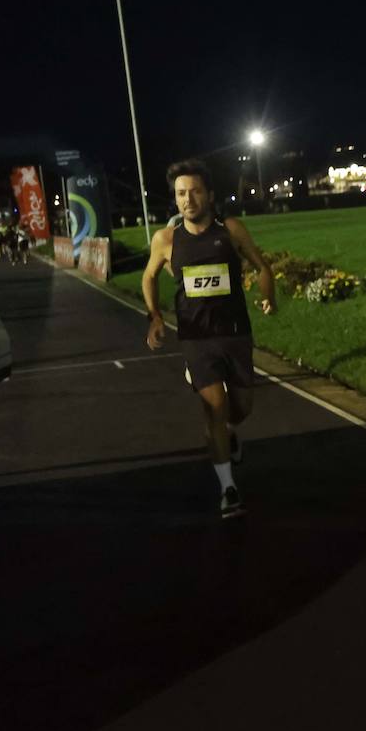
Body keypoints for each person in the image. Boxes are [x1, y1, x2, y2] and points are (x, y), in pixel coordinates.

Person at [141, 159, 277, 519]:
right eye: (181, 193)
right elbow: (149, 277)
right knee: (214, 408)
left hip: (235, 334)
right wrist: (154, 316)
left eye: (195, 191)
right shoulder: (166, 239)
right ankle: (228, 489)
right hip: (196, 339)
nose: (188, 199)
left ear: (210, 195)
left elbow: (261, 266)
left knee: (241, 409)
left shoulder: (230, 230)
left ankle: (230, 434)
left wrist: (268, 296)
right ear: (175, 198)